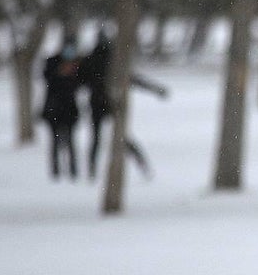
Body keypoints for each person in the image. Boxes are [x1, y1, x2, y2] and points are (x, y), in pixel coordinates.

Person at [80, 31, 169, 180]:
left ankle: (92, 170)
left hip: (98, 103)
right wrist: (155, 89)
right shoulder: (111, 61)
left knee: (97, 138)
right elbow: (132, 79)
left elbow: (78, 81)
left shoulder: (91, 61)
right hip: (112, 103)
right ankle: (140, 163)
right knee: (122, 137)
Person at [41, 37, 84, 180]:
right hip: (54, 108)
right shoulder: (52, 62)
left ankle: (73, 171)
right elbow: (47, 78)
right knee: (54, 141)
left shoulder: (76, 65)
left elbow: (81, 82)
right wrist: (59, 73)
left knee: (71, 141)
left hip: (70, 110)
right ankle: (55, 172)